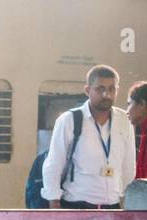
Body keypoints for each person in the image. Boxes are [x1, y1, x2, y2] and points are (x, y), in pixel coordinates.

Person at [41, 65, 136, 210]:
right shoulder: (70, 120)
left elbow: (128, 165)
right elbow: (54, 163)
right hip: (76, 204)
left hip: (112, 206)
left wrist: (128, 202)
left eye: (112, 89)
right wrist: (54, 203)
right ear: (87, 90)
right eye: (100, 89)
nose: (107, 94)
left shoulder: (124, 120)